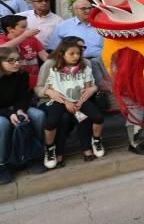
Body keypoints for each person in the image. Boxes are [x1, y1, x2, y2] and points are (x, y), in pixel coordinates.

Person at [39, 38, 106, 168]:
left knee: (97, 117)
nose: (76, 56)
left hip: (79, 100)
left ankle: (96, 141)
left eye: (79, 53)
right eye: (72, 53)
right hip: (60, 100)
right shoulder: (53, 68)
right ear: (61, 53)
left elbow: (88, 87)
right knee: (53, 121)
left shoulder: (84, 67)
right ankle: (50, 148)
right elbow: (50, 89)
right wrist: (67, 102)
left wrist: (81, 101)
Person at [0, 47, 47, 185]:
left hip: (16, 107)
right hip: (2, 111)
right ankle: (2, 164)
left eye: (18, 60)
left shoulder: (21, 74)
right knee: (2, 124)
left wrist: (19, 110)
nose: (16, 63)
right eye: (11, 61)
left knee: (39, 115)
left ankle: (34, 155)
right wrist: (10, 114)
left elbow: (23, 96)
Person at [0, 15, 48, 87]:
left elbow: (45, 56)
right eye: (23, 27)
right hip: (12, 82)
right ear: (10, 29)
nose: (27, 29)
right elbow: (2, 49)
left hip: (35, 80)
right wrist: (24, 36)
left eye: (26, 26)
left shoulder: (31, 39)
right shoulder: (2, 39)